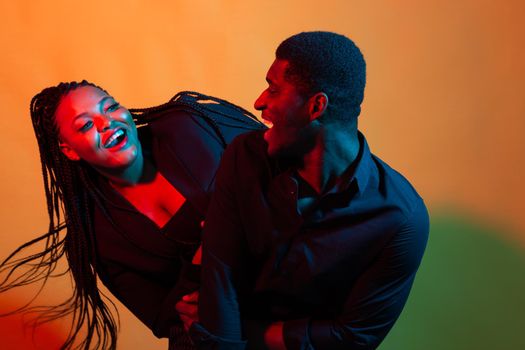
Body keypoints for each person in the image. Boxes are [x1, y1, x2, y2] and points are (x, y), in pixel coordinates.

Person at [190, 31, 430, 349]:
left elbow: (354, 338)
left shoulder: (401, 219)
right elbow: (221, 279)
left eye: (274, 90)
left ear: (316, 106)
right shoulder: (245, 156)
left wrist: (248, 332)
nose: (259, 102)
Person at [0, 81, 265, 349]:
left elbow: (281, 160)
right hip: (221, 327)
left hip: (283, 267)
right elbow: (163, 320)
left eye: (111, 107)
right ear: (68, 149)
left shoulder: (186, 126)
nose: (107, 123)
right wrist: (200, 268)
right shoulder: (100, 235)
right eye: (86, 125)